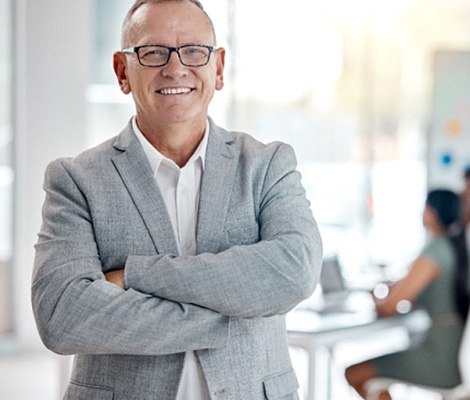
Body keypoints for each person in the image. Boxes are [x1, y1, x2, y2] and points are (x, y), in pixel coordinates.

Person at [31, 1, 322, 399]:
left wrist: (135, 275)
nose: (175, 68)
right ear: (122, 72)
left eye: (194, 51)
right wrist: (233, 310)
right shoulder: (76, 180)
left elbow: (294, 271)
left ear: (218, 68)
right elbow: (62, 315)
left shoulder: (267, 165)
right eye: (153, 52)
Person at [345, 189, 470, 400]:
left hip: (441, 358)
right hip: (461, 354)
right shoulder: (458, 248)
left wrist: (376, 298)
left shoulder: (436, 252)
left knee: (354, 373)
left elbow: (389, 307)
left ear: (432, 212)